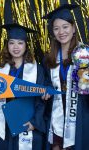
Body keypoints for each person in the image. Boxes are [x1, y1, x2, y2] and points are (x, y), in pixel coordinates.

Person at [0, 23, 52, 150]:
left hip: (28, 124)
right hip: (3, 126)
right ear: (7, 45)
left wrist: (35, 122)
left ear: (26, 45)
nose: (16, 47)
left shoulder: (37, 70)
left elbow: (41, 99)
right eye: (12, 43)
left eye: (20, 43)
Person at [44, 4, 89, 150]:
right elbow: (46, 83)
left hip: (80, 115)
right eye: (56, 28)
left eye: (65, 27)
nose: (61, 32)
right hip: (57, 116)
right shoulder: (48, 59)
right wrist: (46, 90)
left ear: (74, 28)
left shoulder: (84, 54)